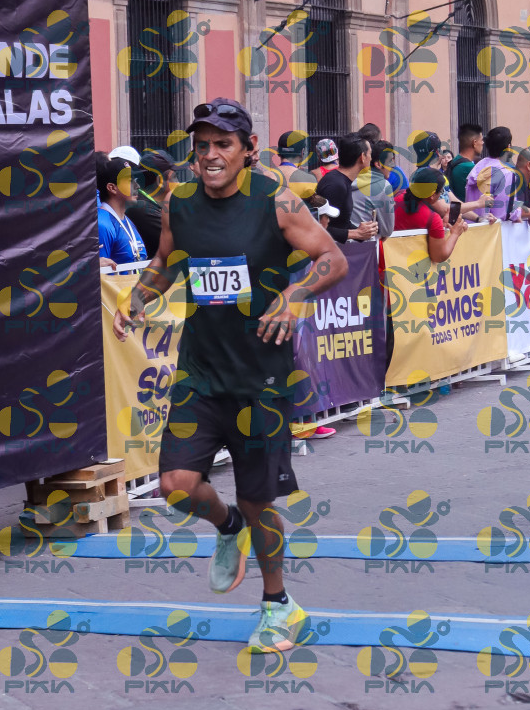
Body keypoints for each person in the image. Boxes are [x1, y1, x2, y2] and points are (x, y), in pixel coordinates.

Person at [112, 98, 347, 653]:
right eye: (202, 146)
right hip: (200, 374)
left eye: (223, 144)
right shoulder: (180, 203)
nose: (210, 155)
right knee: (176, 486)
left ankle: (278, 605)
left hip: (261, 378)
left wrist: (295, 294)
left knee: (259, 500)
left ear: (248, 150)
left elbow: (332, 259)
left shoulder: (276, 201)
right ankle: (227, 528)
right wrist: (138, 298)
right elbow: (166, 261)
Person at [315, 133, 379, 246]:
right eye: (370, 154)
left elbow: (340, 223)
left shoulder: (341, 181)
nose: (371, 158)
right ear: (362, 157)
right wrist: (356, 233)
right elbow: (319, 227)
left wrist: (363, 232)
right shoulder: (336, 185)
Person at [395, 166, 468, 261]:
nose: (441, 195)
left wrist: (441, 225)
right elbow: (438, 256)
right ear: (432, 195)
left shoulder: (395, 199)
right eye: (441, 191)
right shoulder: (432, 218)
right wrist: (455, 233)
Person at [97, 152, 148, 266]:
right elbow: (101, 274)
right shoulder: (102, 225)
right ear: (112, 188)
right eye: (130, 181)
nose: (137, 186)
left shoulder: (127, 221)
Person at [126, 149, 176, 255]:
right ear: (160, 182)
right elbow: (181, 242)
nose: (178, 183)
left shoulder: (150, 204)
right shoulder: (143, 208)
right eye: (174, 178)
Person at [465, 126, 516, 220]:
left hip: (471, 224)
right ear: (508, 147)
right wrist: (517, 215)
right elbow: (504, 212)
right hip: (493, 226)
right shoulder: (506, 173)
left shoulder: (477, 168)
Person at [446, 124, 483, 200]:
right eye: (481, 140)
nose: (483, 143)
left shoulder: (455, 161)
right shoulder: (470, 168)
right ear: (474, 143)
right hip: (467, 207)